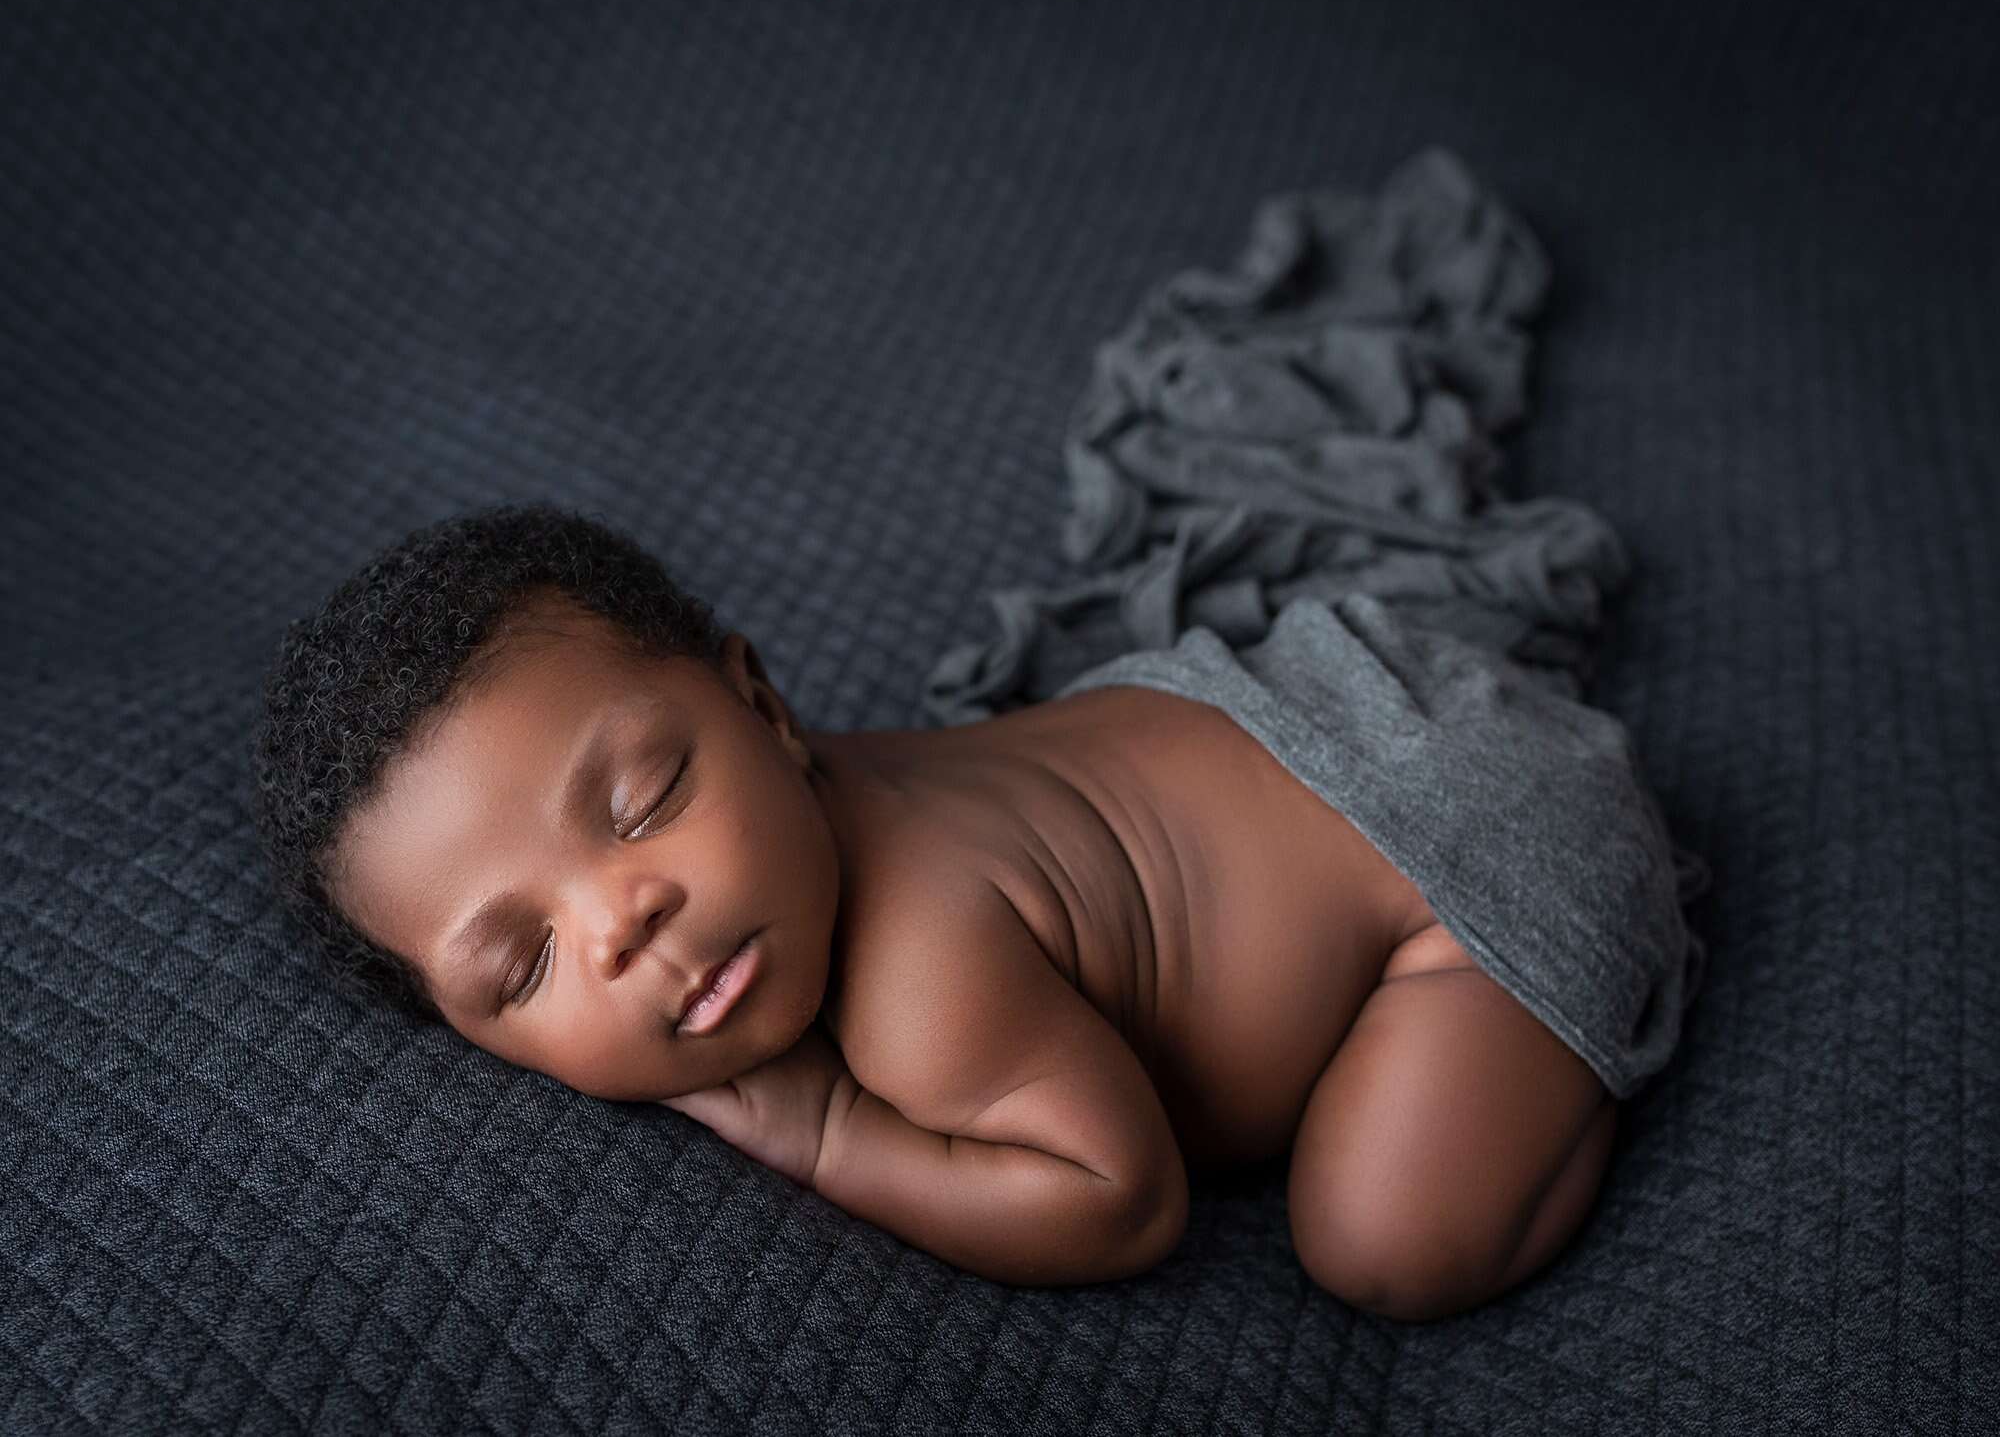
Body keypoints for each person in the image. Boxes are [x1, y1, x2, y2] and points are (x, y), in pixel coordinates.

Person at [254, 500, 1639, 1322]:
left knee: (1387, 1244)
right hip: (1294, 702)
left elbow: (1122, 1200)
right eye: (528, 960)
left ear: (761, 704)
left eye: (643, 800)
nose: (621, 922)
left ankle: (1608, 980)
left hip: (1456, 837)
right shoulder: (811, 807)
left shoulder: (920, 977)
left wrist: (829, 1130)